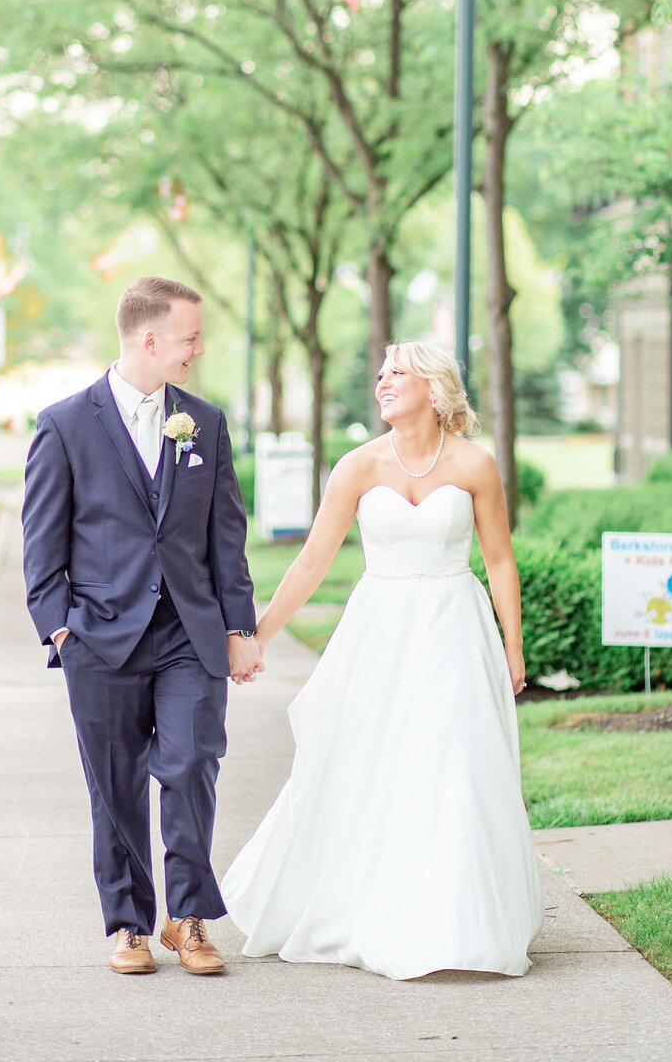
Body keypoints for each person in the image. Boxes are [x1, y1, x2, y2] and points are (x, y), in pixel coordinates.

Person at [223, 340, 545, 980]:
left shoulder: (476, 465)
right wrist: (258, 632)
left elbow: (500, 560)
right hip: (380, 634)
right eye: (380, 374)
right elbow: (314, 558)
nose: (383, 382)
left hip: (455, 626)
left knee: (453, 764)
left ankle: (457, 922)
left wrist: (513, 643)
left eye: (398, 372)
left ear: (434, 386)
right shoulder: (357, 467)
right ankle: (371, 909)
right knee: (373, 761)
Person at [22, 275, 263, 976]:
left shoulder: (205, 423)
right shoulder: (65, 424)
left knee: (190, 764)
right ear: (150, 338)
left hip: (190, 631)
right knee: (114, 781)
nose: (199, 349)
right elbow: (43, 544)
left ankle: (186, 918)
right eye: (191, 337)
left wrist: (239, 625)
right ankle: (127, 921)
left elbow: (226, 536)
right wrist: (61, 630)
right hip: (99, 634)